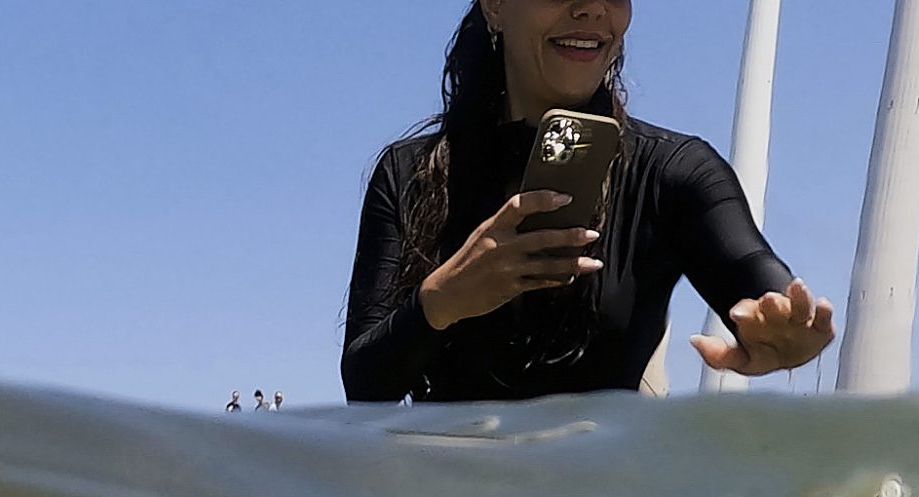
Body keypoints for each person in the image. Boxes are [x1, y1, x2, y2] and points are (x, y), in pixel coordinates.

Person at [343, 0, 833, 403]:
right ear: (494, 5)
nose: (593, 8)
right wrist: (440, 302)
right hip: (444, 487)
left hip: (598, 490)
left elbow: (751, 270)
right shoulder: (410, 174)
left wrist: (786, 325)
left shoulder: (673, 171)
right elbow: (364, 385)